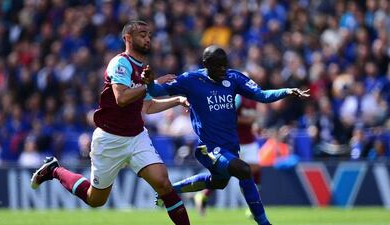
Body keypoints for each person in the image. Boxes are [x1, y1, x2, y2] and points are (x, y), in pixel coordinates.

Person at [31, 20, 191, 225]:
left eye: (149, 34)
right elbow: (122, 98)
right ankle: (54, 170)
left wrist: (176, 100)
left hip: (136, 136)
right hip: (110, 139)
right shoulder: (120, 63)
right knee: (95, 199)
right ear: (128, 38)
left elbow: (147, 107)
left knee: (163, 184)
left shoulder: (143, 68)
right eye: (142, 34)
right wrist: (154, 83)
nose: (148, 38)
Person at [144, 45, 309, 225]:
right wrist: (151, 82)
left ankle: (169, 190)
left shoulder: (233, 77)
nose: (223, 70)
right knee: (244, 171)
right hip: (208, 147)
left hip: (230, 146)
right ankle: (263, 222)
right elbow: (155, 92)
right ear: (206, 64)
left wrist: (286, 91)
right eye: (218, 66)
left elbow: (262, 95)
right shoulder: (190, 80)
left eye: (225, 65)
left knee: (218, 183)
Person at [193, 94, 262, 217]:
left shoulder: (253, 99)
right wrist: (246, 120)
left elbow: (253, 118)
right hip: (236, 142)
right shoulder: (236, 97)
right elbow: (227, 116)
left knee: (255, 169)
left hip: (250, 141)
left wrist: (255, 124)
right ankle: (204, 194)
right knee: (231, 171)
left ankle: (252, 205)